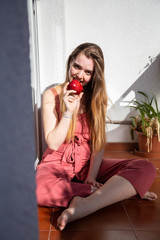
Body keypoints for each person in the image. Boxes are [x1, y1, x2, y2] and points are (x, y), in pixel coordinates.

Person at [36, 42, 157, 231]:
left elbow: (98, 144)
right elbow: (53, 142)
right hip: (57, 161)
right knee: (38, 188)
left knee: (146, 167)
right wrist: (68, 112)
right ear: (70, 63)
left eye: (87, 72)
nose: (79, 75)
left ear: (94, 76)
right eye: (77, 66)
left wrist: (91, 177)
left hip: (88, 164)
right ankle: (113, 193)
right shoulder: (52, 95)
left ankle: (84, 205)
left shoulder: (96, 98)